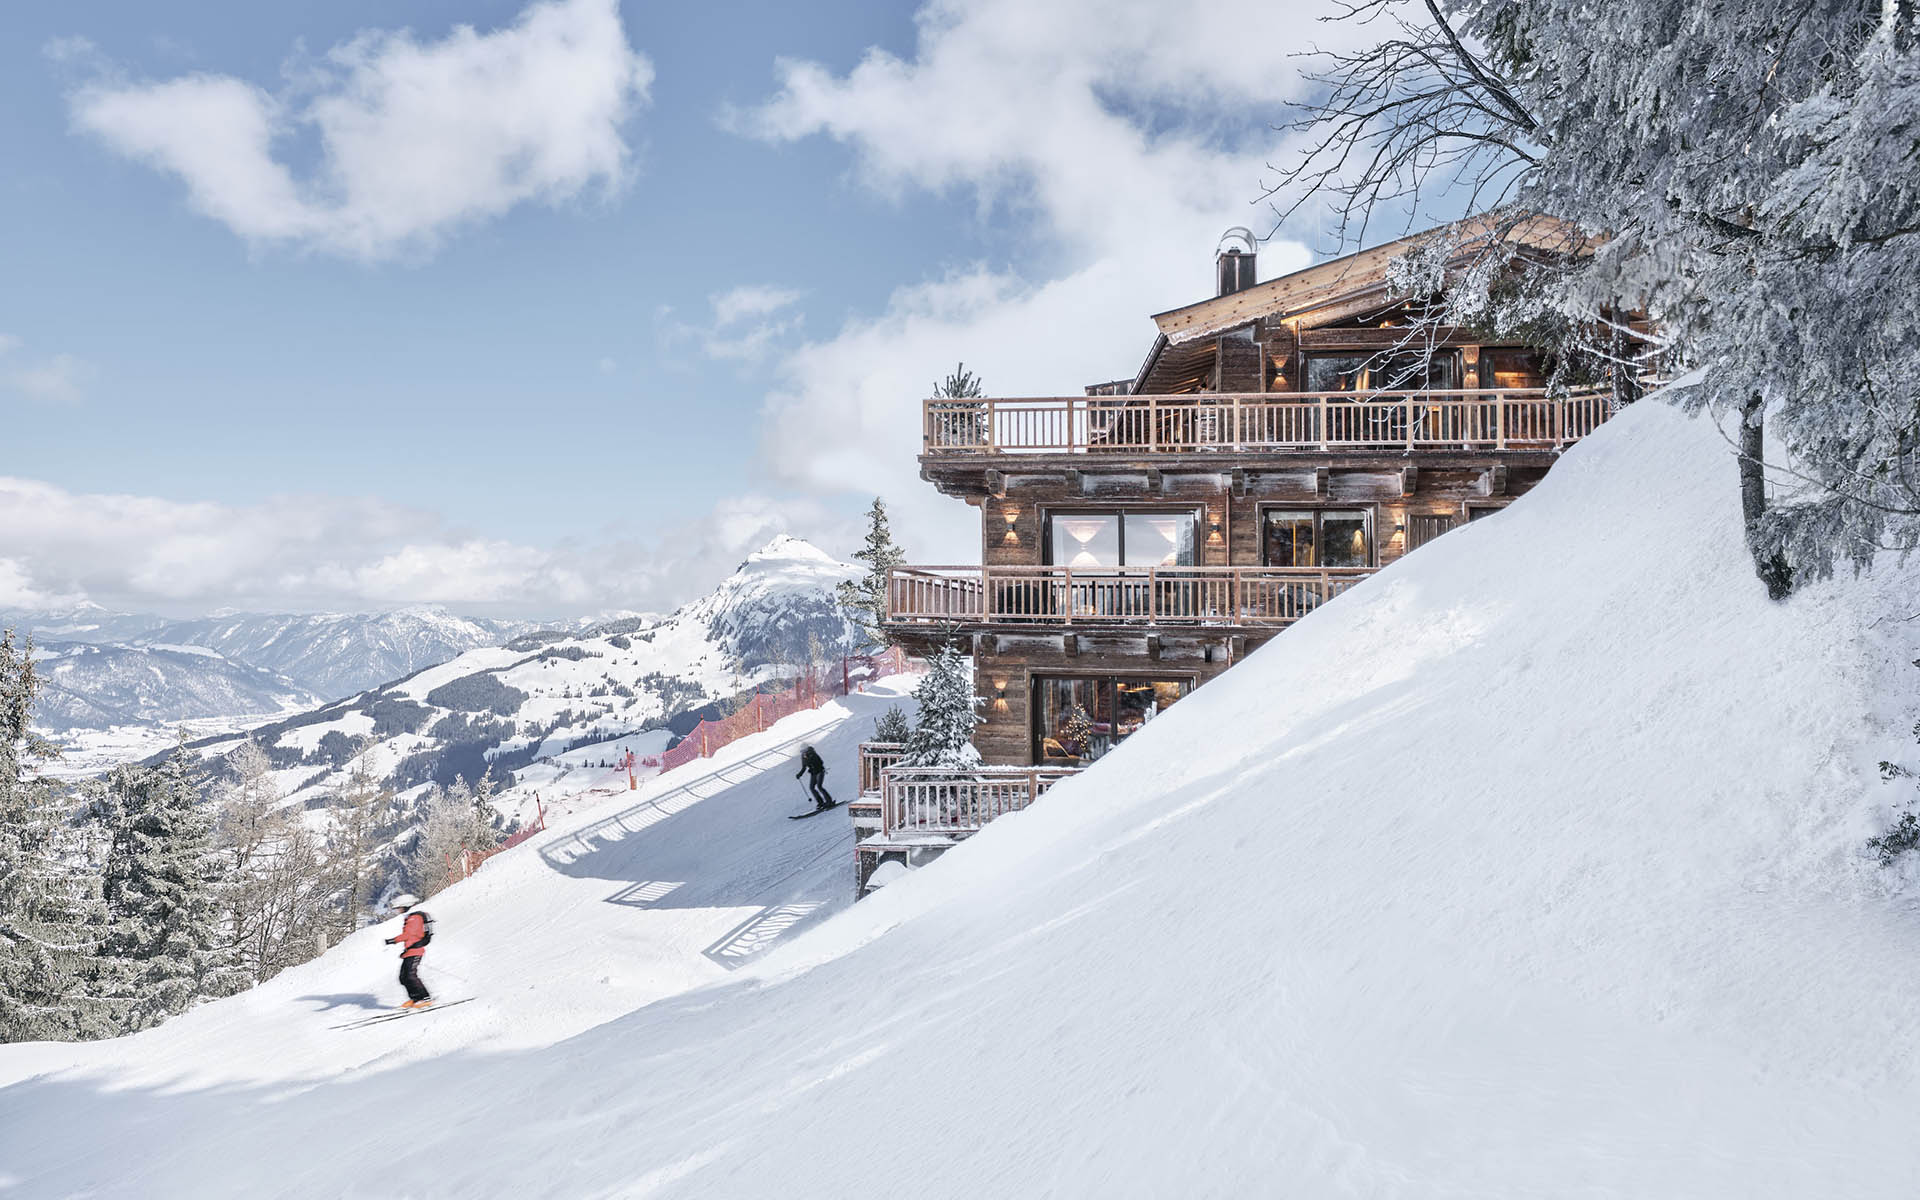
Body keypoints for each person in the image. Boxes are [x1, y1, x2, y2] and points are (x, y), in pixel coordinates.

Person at [383, 894, 433, 1009]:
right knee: (403, 977)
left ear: (406, 906)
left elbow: (408, 934)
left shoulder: (414, 918)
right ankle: (415, 998)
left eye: (399, 908)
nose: (398, 910)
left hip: (416, 950)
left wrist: (392, 940)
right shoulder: (411, 916)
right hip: (410, 951)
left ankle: (425, 998)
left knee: (410, 975)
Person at [795, 744, 833, 810]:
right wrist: (799, 774)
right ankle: (821, 803)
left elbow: (820, 762)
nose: (803, 752)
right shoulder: (803, 756)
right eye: (802, 751)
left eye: (804, 750)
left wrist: (809, 757)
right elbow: (804, 767)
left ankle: (829, 801)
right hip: (813, 773)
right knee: (811, 787)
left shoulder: (812, 753)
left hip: (820, 771)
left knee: (819, 786)